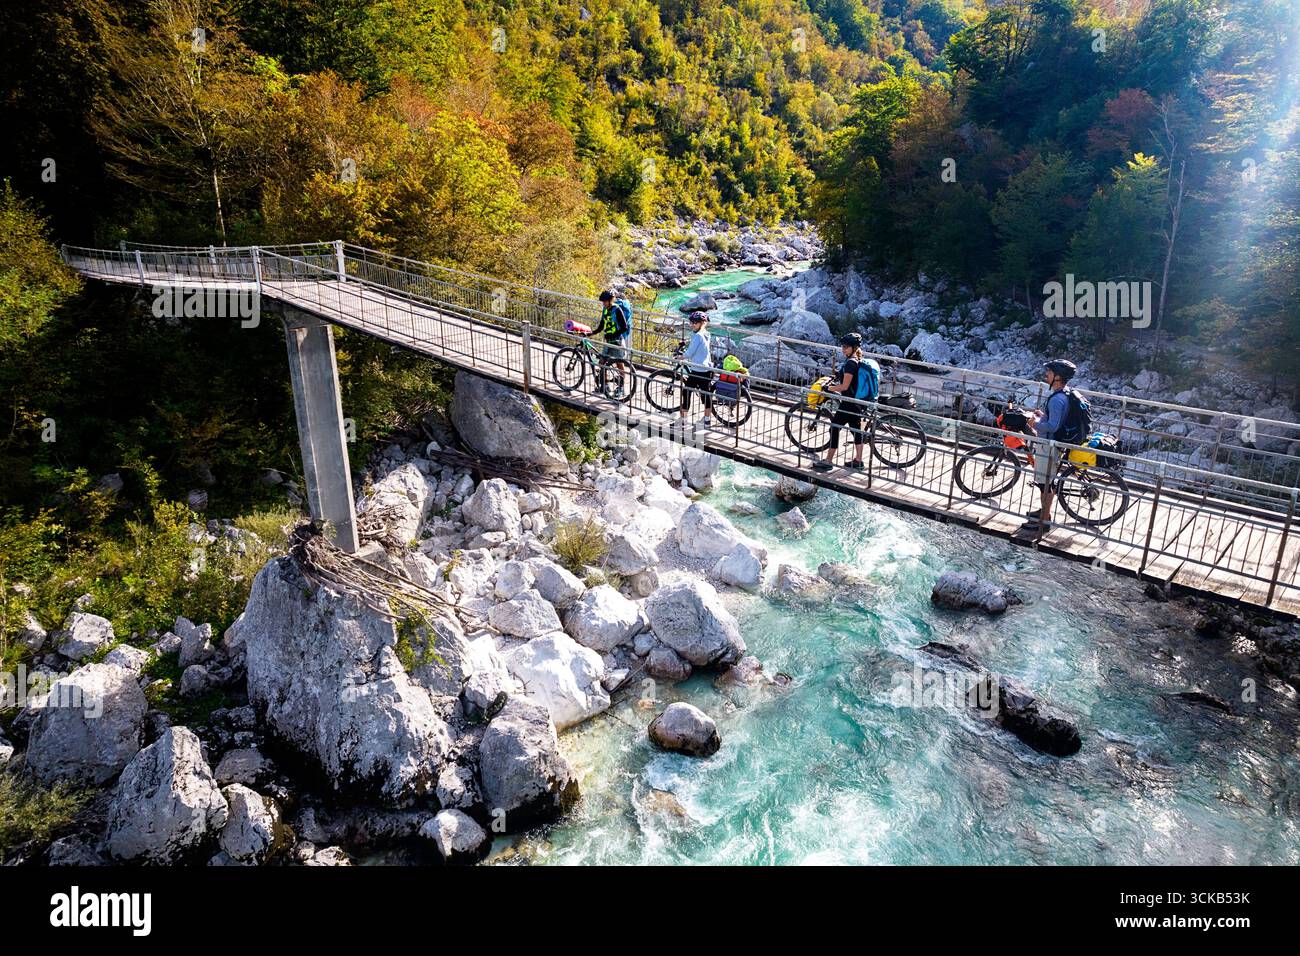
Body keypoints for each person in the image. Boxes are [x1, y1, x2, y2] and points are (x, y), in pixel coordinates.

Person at [1023, 358, 1083, 535]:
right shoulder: (1063, 394)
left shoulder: (1057, 400)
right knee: (1045, 482)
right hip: (1050, 444)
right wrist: (1043, 416)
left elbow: (1053, 426)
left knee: (1045, 484)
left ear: (1057, 377)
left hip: (1048, 446)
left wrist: (1035, 424)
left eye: (1049, 372)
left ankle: (1044, 520)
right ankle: (1043, 512)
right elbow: (1054, 420)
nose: (1046, 375)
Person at [812, 333, 873, 471]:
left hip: (849, 403)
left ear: (853, 348)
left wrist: (828, 388)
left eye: (846, 347)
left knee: (834, 427)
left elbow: (844, 386)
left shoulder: (851, 363)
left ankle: (828, 461)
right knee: (856, 431)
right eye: (842, 346)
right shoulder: (853, 359)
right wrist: (833, 377)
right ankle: (858, 461)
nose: (843, 349)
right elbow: (843, 376)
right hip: (856, 402)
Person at [679, 311, 713, 428]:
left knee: (686, 392)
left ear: (702, 323)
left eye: (695, 322)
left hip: (698, 370)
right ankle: (707, 420)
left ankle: (683, 421)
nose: (692, 324)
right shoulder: (706, 334)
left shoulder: (697, 336)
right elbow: (699, 347)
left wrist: (680, 356)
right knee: (706, 394)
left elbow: (689, 353)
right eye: (691, 322)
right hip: (707, 369)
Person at [598, 290, 632, 374]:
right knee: (602, 363)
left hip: (617, 341)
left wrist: (613, 335)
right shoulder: (605, 310)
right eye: (603, 302)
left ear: (610, 300)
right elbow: (601, 326)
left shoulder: (617, 310)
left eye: (605, 302)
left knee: (619, 363)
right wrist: (590, 333)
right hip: (608, 341)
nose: (603, 304)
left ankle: (621, 385)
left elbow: (624, 327)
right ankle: (604, 384)